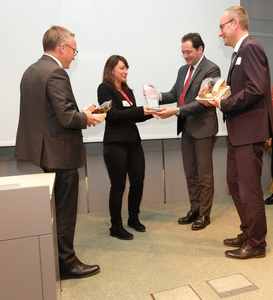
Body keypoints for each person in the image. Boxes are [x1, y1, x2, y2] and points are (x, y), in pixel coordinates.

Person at [15, 26, 100, 278]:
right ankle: (67, 264)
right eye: (73, 50)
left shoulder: (31, 70)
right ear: (61, 47)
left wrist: (81, 114)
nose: (74, 56)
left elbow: (47, 114)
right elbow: (66, 117)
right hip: (59, 153)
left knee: (55, 209)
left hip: (43, 151)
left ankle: (56, 257)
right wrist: (87, 117)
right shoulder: (56, 73)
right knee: (64, 211)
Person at [207, 6, 273, 259]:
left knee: (249, 188)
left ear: (235, 24)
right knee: (235, 183)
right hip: (239, 129)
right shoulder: (238, 53)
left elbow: (256, 89)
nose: (220, 33)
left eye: (222, 27)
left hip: (249, 130)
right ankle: (248, 231)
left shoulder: (251, 48)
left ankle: (257, 243)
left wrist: (224, 103)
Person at [152, 33, 220, 230]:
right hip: (186, 128)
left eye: (188, 52)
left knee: (204, 175)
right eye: (183, 52)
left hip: (203, 128)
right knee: (190, 172)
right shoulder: (183, 70)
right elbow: (175, 94)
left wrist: (178, 111)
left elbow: (203, 102)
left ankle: (205, 214)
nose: (185, 56)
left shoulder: (212, 69)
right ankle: (195, 209)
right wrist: (158, 95)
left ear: (200, 49)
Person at [97, 55, 154, 240]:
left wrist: (153, 112)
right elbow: (112, 115)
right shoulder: (104, 89)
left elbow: (134, 116)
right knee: (118, 186)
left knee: (137, 181)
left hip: (133, 142)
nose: (125, 71)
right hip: (115, 144)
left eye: (126, 68)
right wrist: (139, 110)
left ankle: (133, 218)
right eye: (122, 68)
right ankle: (116, 225)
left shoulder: (128, 91)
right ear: (111, 69)